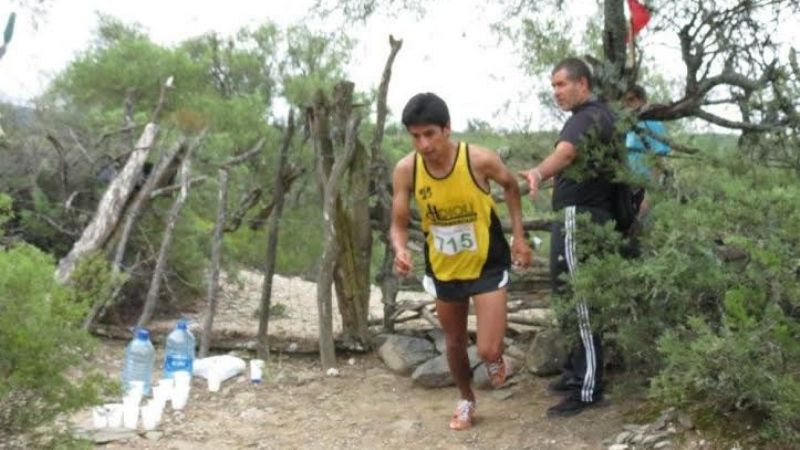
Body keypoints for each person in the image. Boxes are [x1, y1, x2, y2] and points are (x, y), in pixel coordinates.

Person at [390, 92, 532, 430]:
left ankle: (495, 358)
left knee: (487, 349)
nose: (423, 144)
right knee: (453, 340)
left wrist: (519, 237)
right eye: (415, 136)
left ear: (447, 128)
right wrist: (400, 249)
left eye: (429, 134)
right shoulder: (407, 170)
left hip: (486, 261)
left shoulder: (479, 159)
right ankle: (466, 399)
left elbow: (511, 187)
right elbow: (398, 223)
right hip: (444, 266)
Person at [518, 57, 619, 417]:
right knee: (567, 297)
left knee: (580, 301)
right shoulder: (592, 116)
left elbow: (566, 153)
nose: (556, 92)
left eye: (561, 84)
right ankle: (576, 372)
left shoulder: (588, 116)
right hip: (578, 217)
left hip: (582, 217)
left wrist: (538, 173)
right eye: (553, 86)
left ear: (583, 84)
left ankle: (587, 388)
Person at [623, 85, 671, 217]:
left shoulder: (653, 124)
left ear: (643, 101)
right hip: (625, 192)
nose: (628, 105)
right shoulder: (626, 126)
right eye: (625, 101)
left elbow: (658, 163)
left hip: (643, 191)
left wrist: (648, 199)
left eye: (631, 100)